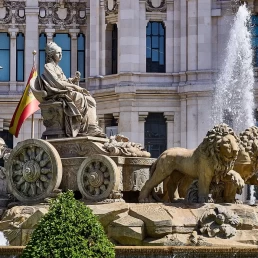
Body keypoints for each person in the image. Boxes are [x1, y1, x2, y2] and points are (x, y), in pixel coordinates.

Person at [40, 41, 106, 138]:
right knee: (80, 97)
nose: (61, 55)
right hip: (57, 93)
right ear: (51, 54)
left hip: (64, 91)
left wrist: (73, 80)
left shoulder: (57, 68)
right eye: (58, 53)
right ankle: (84, 127)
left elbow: (64, 81)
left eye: (61, 53)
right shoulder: (48, 66)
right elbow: (57, 83)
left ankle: (91, 127)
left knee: (89, 99)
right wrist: (75, 87)